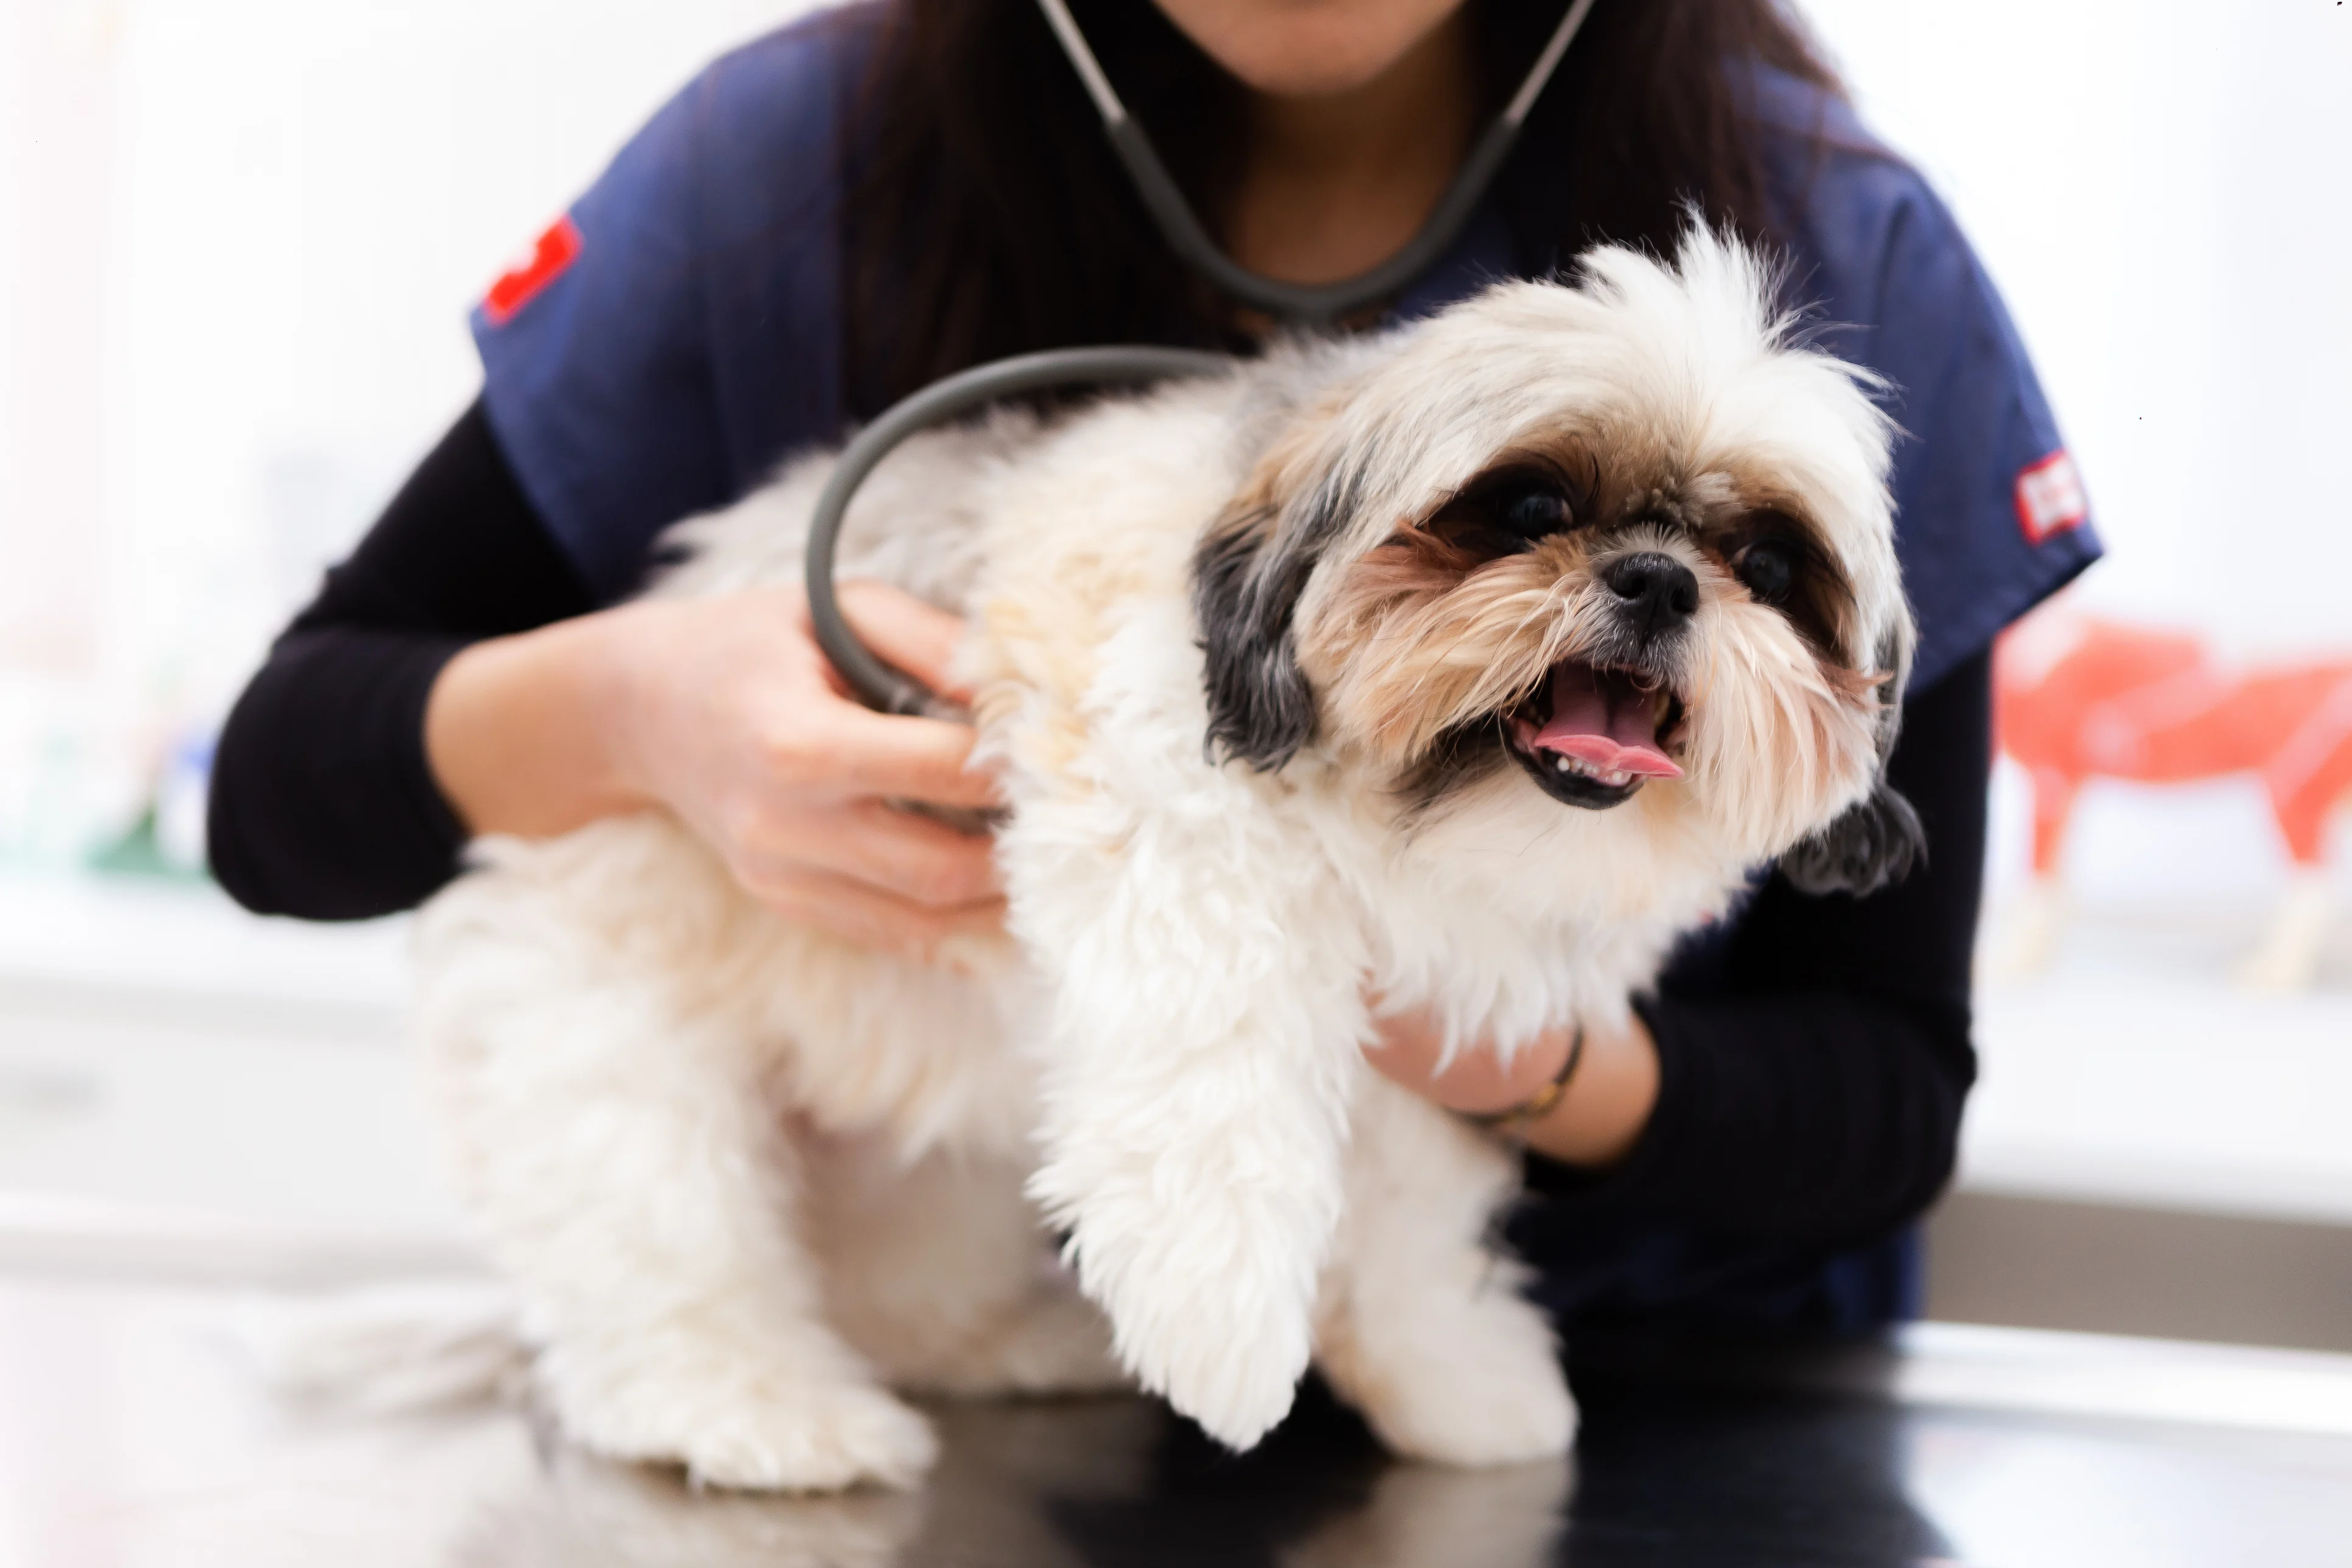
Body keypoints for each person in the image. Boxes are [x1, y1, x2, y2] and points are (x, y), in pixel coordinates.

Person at [209, 0, 2099, 1339]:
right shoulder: (783, 169)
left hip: (1671, 1419)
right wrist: (644, 715)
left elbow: (1879, 1104)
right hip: (984, 1391)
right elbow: (281, 791)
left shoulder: (1849, 247)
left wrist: (1475, 1039)